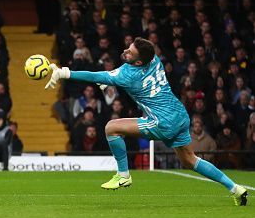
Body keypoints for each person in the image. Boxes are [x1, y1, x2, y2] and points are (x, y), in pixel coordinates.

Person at [44, 37, 248, 206]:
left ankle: (123, 174)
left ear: (139, 62)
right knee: (190, 160)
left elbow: (95, 74)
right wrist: (105, 79)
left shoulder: (127, 74)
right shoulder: (154, 59)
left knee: (111, 128)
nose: (126, 51)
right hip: (180, 115)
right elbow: (115, 72)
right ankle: (235, 188)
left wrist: (64, 72)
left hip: (162, 121)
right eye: (128, 47)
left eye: (130, 53)